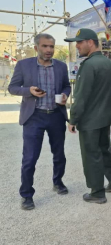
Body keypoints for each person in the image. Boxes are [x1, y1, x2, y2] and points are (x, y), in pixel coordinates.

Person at [8, 33, 71, 210]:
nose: (49, 50)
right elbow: (12, 88)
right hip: (33, 116)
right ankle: (27, 194)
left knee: (59, 154)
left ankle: (58, 182)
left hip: (56, 116)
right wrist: (29, 91)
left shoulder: (60, 66)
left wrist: (65, 94)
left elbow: (67, 85)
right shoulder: (23, 65)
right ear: (36, 48)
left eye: (51, 46)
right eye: (45, 46)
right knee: (30, 158)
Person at [65, 28, 111, 204]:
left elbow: (81, 96)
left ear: (90, 42)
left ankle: (97, 192)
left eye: (79, 42)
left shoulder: (89, 64)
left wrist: (73, 119)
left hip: (90, 120)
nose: (77, 46)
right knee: (105, 151)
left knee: (91, 155)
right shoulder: (107, 63)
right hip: (104, 117)